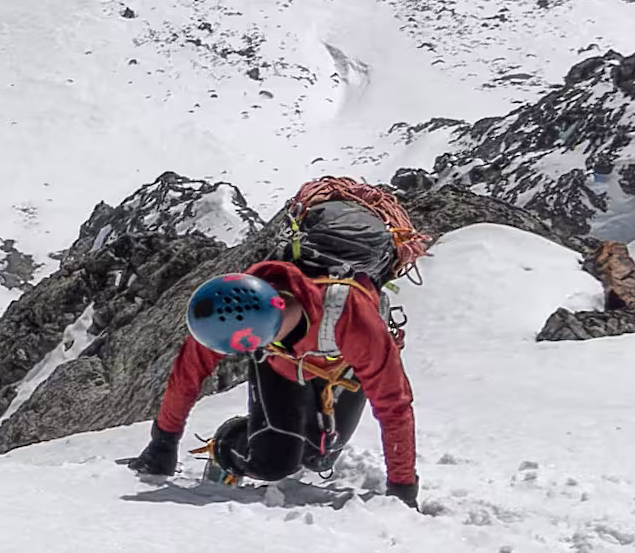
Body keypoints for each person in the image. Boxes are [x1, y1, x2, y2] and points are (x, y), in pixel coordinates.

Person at [124, 185, 422, 502]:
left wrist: (402, 487)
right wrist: (164, 440)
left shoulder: (353, 317)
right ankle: (228, 445)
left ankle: (276, 436)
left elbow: (394, 405)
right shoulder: (234, 308)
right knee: (273, 462)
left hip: (346, 366)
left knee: (319, 457)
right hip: (281, 366)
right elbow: (188, 372)